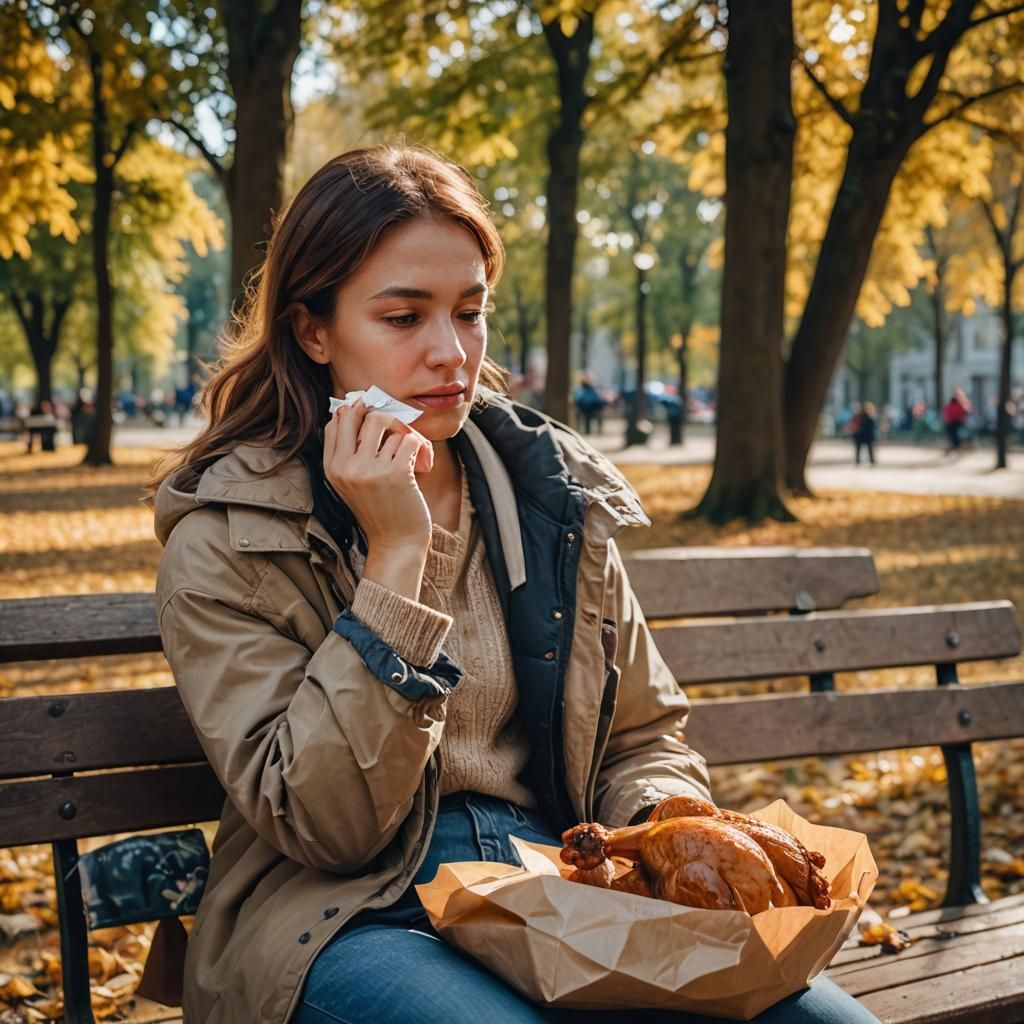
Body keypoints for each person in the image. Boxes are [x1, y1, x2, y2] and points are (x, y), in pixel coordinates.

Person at [147, 146, 880, 1024]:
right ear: (314, 331)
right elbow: (326, 826)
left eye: (469, 312)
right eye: (403, 317)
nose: (450, 352)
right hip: (346, 914)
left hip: (560, 888)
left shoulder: (549, 496)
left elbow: (642, 732)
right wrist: (394, 561)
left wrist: (657, 826)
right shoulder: (232, 532)